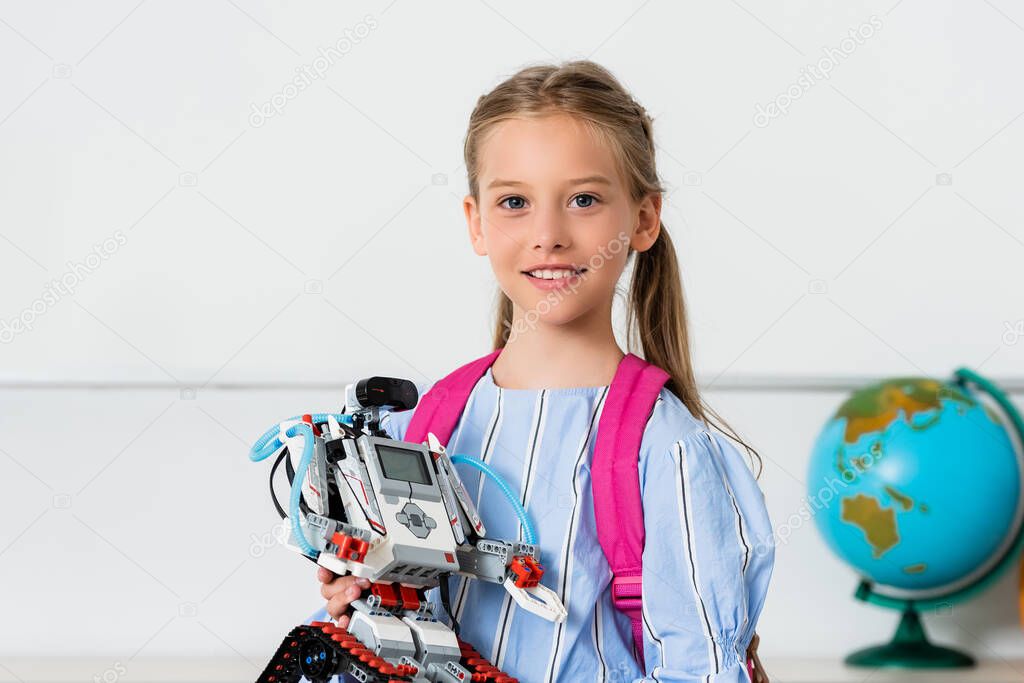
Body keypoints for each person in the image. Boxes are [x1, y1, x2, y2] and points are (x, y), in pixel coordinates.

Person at [310, 59, 775, 683]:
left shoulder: (667, 450)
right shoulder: (419, 430)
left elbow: (701, 670)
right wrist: (361, 612)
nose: (548, 234)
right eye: (515, 202)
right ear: (476, 221)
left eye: (583, 199)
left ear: (642, 219)